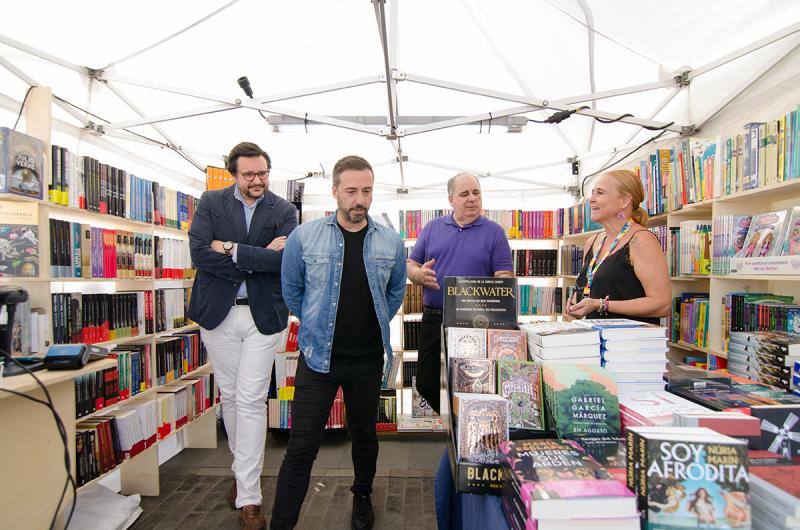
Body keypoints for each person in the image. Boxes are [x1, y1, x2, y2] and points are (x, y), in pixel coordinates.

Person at [271, 155, 406, 530]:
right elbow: (292, 291)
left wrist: (370, 324)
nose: (360, 199)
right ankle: (281, 523)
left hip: (367, 360)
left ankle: (362, 495)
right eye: (351, 191)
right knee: (301, 448)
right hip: (318, 359)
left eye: (366, 191)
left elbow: (394, 293)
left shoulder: (391, 242)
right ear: (334, 191)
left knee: (364, 436)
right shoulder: (304, 237)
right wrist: (318, 325)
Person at [188, 142, 298, 530]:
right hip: (217, 315)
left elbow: (285, 260)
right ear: (233, 174)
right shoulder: (211, 202)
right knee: (231, 397)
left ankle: (249, 497)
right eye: (248, 174)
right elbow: (199, 254)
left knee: (251, 399)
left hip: (262, 316)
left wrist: (232, 248)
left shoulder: (284, 210)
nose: (257, 180)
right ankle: (242, 475)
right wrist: (256, 257)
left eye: (263, 173)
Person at [407, 173, 514, 414]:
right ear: (451, 200)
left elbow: (504, 275)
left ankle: (466, 427)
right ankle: (453, 423)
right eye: (464, 194)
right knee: (426, 382)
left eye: (476, 193)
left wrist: (503, 283)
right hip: (435, 318)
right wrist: (418, 275)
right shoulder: (432, 228)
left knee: (472, 384)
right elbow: (411, 265)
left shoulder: (495, 232)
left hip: (476, 322)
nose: (472, 198)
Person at [568, 169, 671, 324]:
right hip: (596, 337)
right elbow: (594, 288)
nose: (591, 199)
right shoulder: (592, 242)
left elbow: (662, 305)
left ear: (624, 201)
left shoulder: (641, 240)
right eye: (592, 193)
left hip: (630, 338)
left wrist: (600, 305)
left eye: (600, 193)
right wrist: (577, 303)